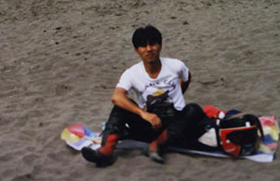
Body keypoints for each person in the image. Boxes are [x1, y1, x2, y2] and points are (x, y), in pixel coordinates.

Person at [82, 25, 208, 167]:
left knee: (194, 109)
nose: (149, 49)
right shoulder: (132, 73)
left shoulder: (176, 66)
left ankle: (156, 146)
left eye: (153, 44)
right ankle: (106, 151)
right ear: (137, 50)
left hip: (175, 127)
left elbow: (186, 77)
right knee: (120, 107)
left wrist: (178, 96)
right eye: (143, 45)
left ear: (160, 46)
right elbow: (116, 97)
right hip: (148, 127)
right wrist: (143, 114)